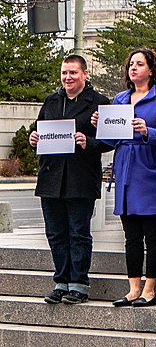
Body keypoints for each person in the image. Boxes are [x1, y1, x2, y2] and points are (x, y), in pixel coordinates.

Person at [92, 48, 156, 307]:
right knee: (130, 235)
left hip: (151, 168)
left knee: (152, 233)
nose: (133, 68)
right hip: (126, 168)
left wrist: (146, 131)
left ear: (151, 69)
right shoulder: (119, 99)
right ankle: (133, 288)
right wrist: (99, 126)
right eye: (131, 64)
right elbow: (111, 139)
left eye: (139, 64)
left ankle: (149, 289)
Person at [29, 54, 110, 305]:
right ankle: (61, 281)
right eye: (64, 73)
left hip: (80, 178)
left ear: (85, 74)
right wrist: (34, 141)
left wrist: (89, 142)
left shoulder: (99, 103)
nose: (68, 78)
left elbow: (110, 140)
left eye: (73, 73)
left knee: (78, 233)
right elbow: (40, 132)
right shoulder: (52, 101)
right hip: (51, 178)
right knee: (55, 233)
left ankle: (79, 283)